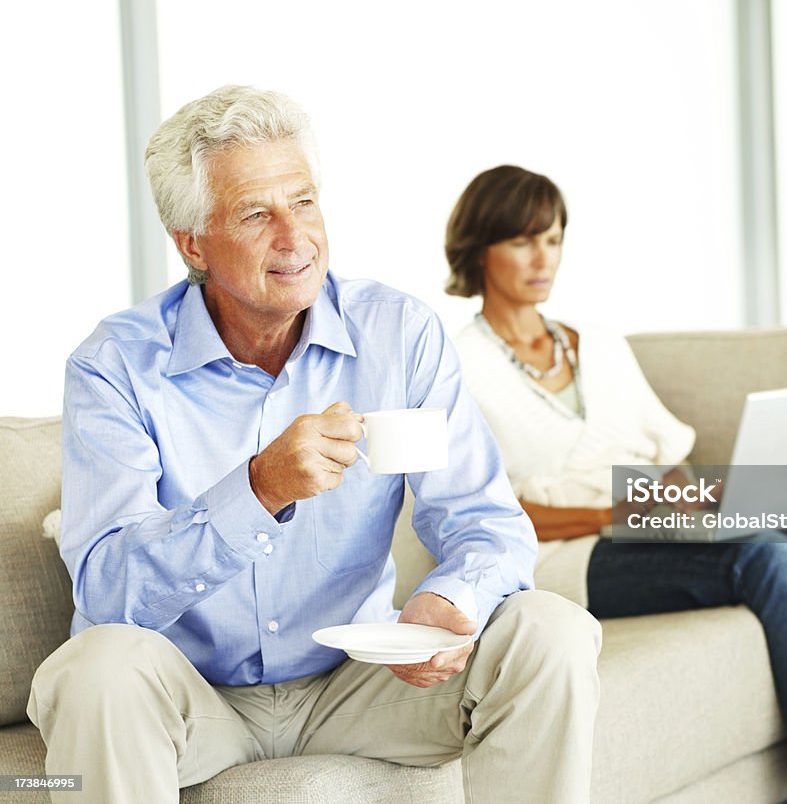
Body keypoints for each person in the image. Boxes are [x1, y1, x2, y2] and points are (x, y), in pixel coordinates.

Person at [27, 90, 601, 804]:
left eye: (303, 201)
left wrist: (452, 601)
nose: (294, 236)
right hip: (194, 698)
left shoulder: (398, 336)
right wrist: (258, 488)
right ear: (193, 242)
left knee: (551, 629)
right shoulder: (115, 366)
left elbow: (486, 520)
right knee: (96, 670)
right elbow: (110, 592)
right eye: (255, 213)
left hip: (358, 681)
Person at [445, 164, 787, 804]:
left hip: (646, 521)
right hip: (564, 560)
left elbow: (670, 454)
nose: (542, 257)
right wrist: (617, 512)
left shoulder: (598, 344)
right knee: (766, 556)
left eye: (553, 238)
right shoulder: (457, 362)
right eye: (523, 240)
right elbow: (487, 508)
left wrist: (686, 500)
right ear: (478, 248)